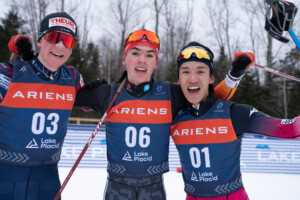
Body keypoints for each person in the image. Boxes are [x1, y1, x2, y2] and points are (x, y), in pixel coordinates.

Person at [74, 29, 255, 200]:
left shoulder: (170, 93)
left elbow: (213, 98)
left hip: (153, 188)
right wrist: (75, 81)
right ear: (125, 58)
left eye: (150, 55)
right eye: (135, 53)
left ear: (156, 62)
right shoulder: (106, 93)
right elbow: (63, 98)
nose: (142, 60)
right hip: (117, 186)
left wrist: (234, 75)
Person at [171, 41, 300, 200]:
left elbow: (291, 129)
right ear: (178, 80)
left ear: (211, 78)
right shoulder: (172, 114)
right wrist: (233, 77)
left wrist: (233, 76)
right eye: (185, 72)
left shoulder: (233, 113)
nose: (192, 78)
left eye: (200, 71)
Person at [0, 12, 84, 200]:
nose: (60, 45)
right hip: (6, 175)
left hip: (48, 181)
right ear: (40, 41)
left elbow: (96, 102)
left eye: (68, 41)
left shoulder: (73, 79)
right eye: (53, 37)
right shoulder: (8, 73)